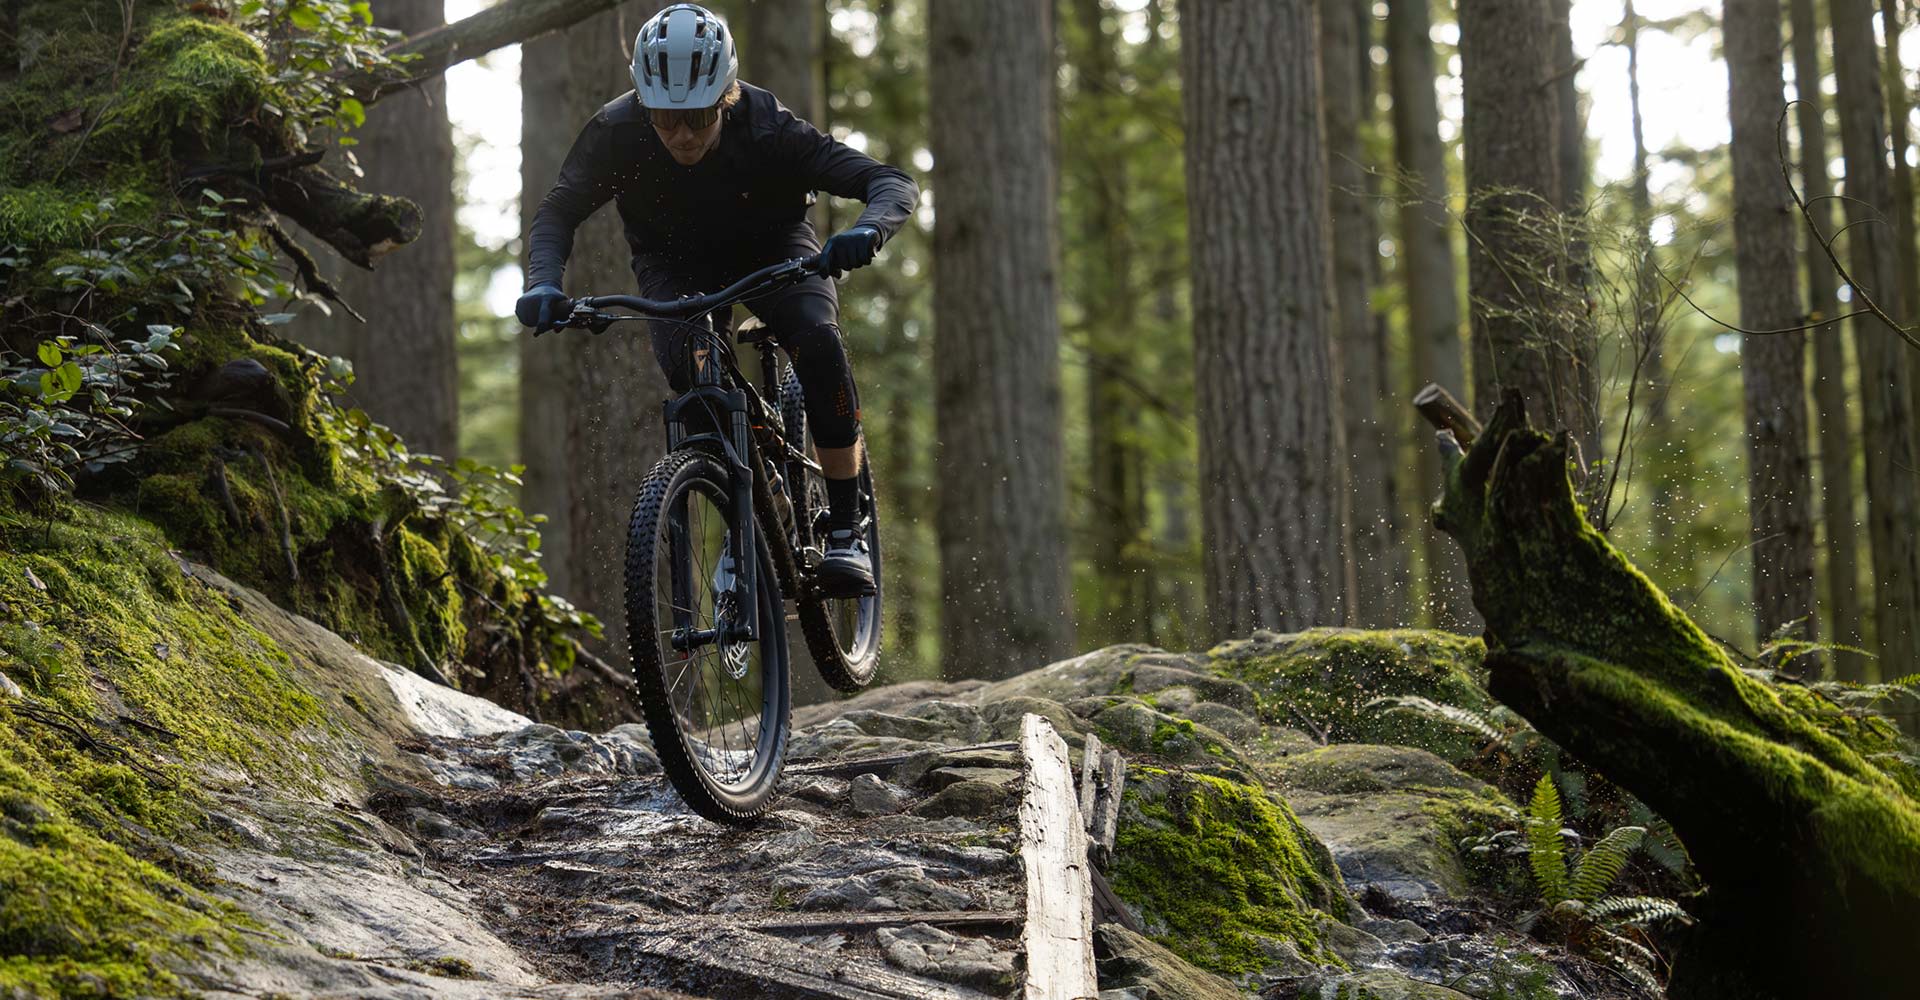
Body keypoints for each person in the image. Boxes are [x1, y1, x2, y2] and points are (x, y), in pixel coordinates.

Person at [516, 3, 916, 598]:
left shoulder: (767, 126)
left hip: (775, 250)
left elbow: (890, 182)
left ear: (725, 98)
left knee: (816, 338)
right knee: (695, 383)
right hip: (673, 263)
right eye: (664, 118)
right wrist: (542, 282)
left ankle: (843, 528)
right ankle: (742, 526)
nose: (680, 134)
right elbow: (557, 213)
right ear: (645, 106)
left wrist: (869, 230)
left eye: (698, 116)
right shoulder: (617, 131)